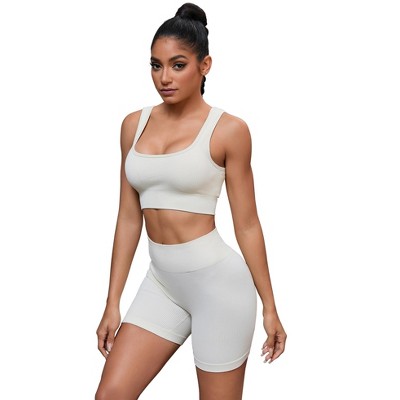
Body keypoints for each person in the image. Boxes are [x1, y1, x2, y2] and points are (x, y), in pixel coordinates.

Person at [95, 3, 286, 399]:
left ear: (205, 65)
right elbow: (128, 217)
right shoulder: (133, 125)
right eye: (156, 65)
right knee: (110, 395)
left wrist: (270, 306)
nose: (164, 78)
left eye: (178, 65)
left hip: (219, 287)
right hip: (161, 282)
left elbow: (247, 223)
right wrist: (113, 301)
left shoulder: (229, 130)